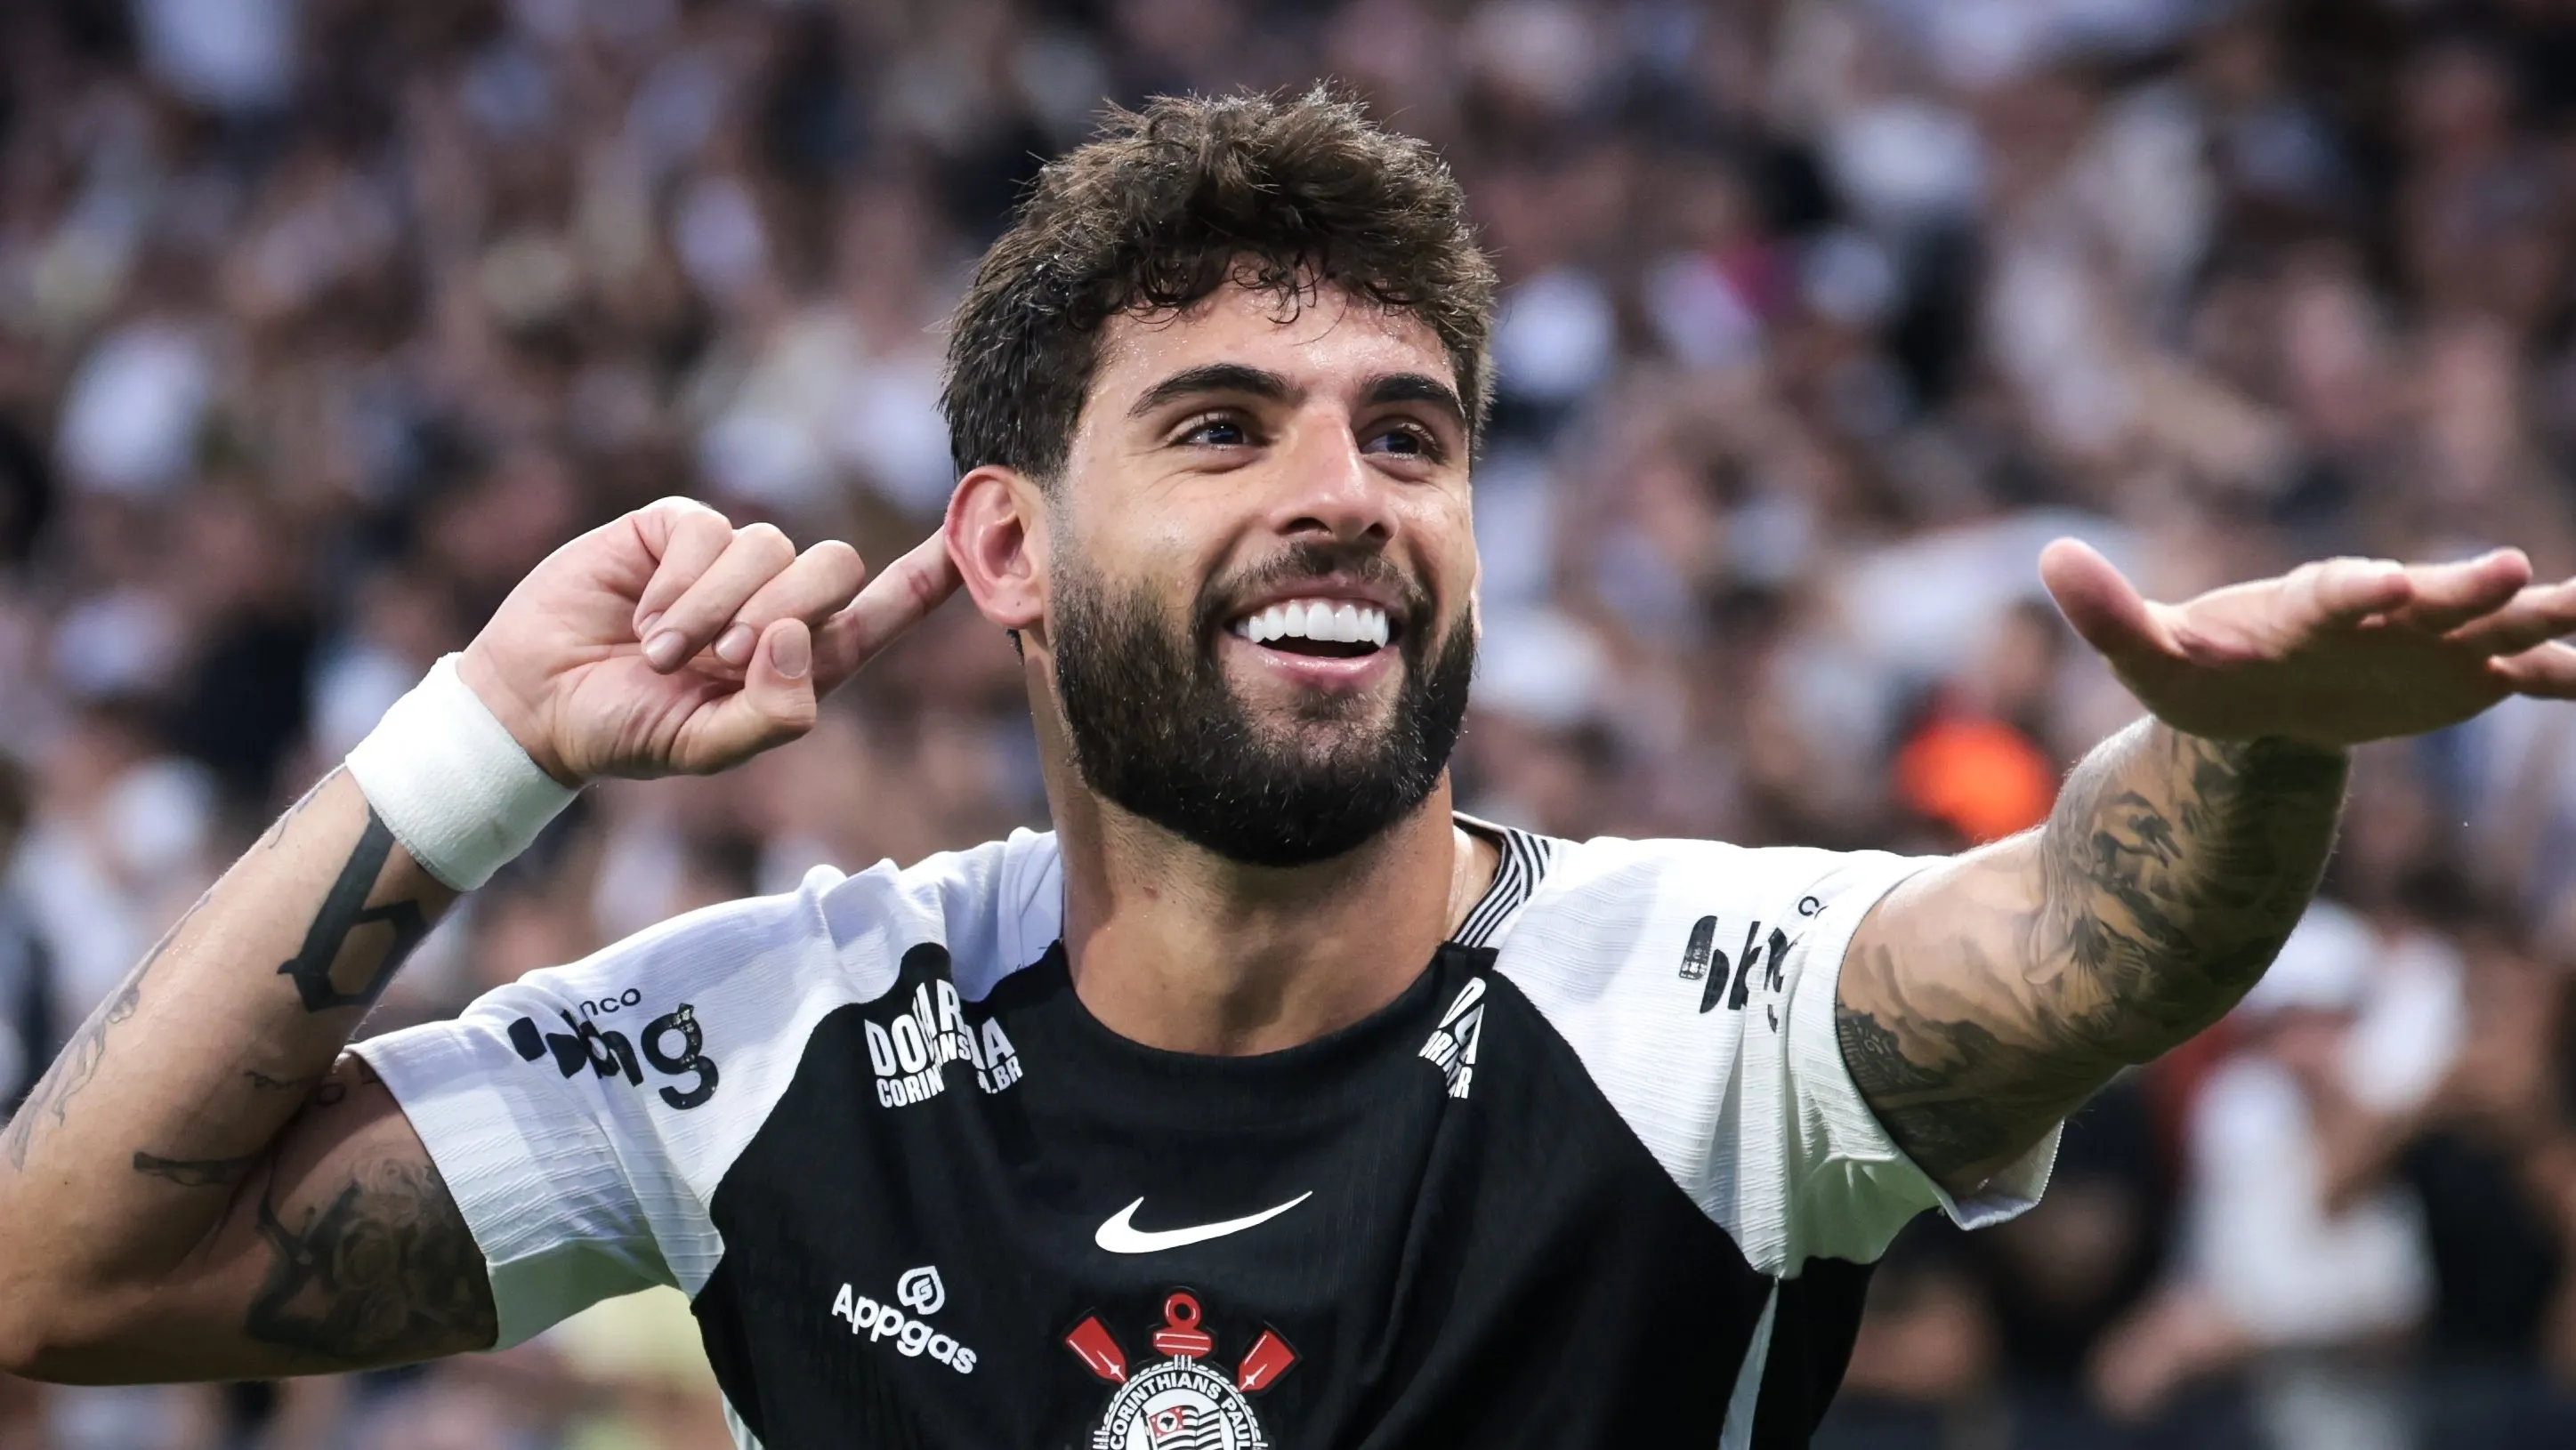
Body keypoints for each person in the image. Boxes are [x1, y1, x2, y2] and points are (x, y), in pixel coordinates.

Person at [4, 91, 2576, 1449]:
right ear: (1001, 544)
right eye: (1221, 426)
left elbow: (2057, 943)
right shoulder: (776, 1028)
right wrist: (478, 739)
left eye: (1408, 431)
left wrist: (2243, 756)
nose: (1342, 488)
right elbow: (60, 1276)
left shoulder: (1688, 1001)